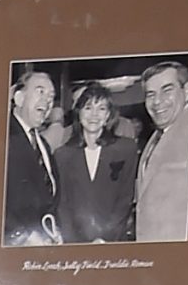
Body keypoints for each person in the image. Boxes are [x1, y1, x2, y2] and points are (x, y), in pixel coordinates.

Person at [53, 82, 137, 244]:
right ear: (79, 113)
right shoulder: (62, 155)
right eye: (88, 108)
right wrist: (75, 243)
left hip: (113, 241)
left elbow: (125, 199)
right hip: (76, 244)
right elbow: (63, 205)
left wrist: (105, 239)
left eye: (101, 109)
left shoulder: (126, 149)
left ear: (108, 116)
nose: (94, 115)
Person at [133, 61, 188, 241]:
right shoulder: (155, 137)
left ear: (186, 90)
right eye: (150, 94)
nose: (157, 102)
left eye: (167, 90)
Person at [4, 67, 61, 245]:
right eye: (40, 92)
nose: (47, 101)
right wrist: (24, 236)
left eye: (51, 96)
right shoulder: (1, 137)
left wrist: (55, 231)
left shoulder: (42, 145)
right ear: (19, 98)